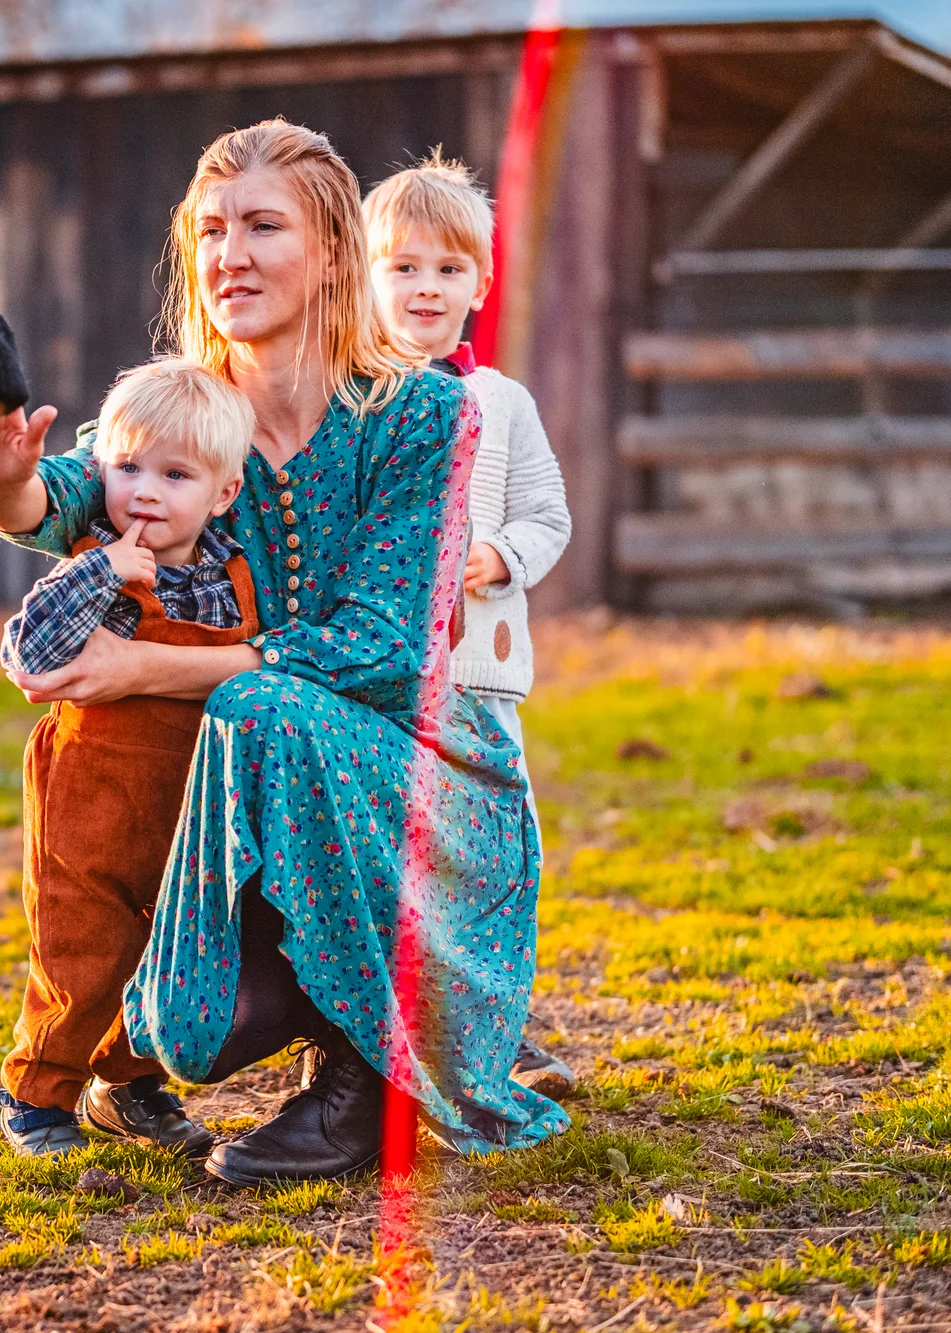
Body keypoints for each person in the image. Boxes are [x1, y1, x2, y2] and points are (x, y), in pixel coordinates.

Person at [0, 119, 569, 1185]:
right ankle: (246, 1036)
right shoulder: (187, 409)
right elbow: (62, 494)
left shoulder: (423, 413)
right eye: (210, 230)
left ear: (331, 252)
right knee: (185, 1026)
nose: (228, 254)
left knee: (262, 709)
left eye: (262, 227)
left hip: (427, 781)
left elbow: (382, 651)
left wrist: (146, 670)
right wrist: (4, 481)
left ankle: (358, 1084)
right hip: (242, 799)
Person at [0, 358, 259, 1158]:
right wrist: (101, 570)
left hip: (187, 805)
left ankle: (128, 1085)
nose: (145, 491)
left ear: (223, 493)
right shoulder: (92, 565)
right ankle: (36, 1093)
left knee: (165, 948)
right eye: (127, 466)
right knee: (81, 949)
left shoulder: (233, 577)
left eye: (175, 475)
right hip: (91, 799)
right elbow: (27, 652)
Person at [362, 153, 576, 1100]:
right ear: (368, 278)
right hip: (380, 683)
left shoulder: (503, 403)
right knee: (402, 856)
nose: (426, 287)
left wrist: (504, 554)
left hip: (479, 677)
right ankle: (388, 1032)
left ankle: (499, 1033)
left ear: (480, 285)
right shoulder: (354, 399)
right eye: (404, 266)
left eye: (449, 268)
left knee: (493, 853)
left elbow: (548, 513)